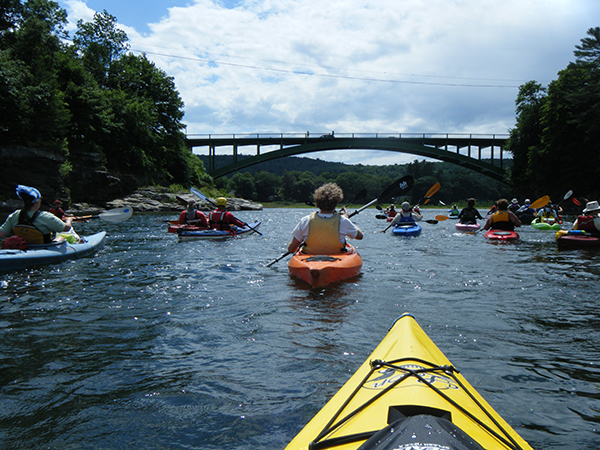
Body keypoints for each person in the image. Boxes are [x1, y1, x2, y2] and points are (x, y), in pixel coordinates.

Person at [287, 183, 363, 255]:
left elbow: (291, 249)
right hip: (336, 259)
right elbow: (360, 236)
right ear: (336, 203)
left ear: (317, 203)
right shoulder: (343, 221)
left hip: (310, 261)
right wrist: (347, 219)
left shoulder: (305, 220)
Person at [0, 185, 75, 245]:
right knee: (61, 237)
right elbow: (66, 228)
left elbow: (2, 234)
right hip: (44, 248)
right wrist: (69, 220)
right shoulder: (45, 216)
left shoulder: (15, 215)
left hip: (23, 247)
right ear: (37, 201)